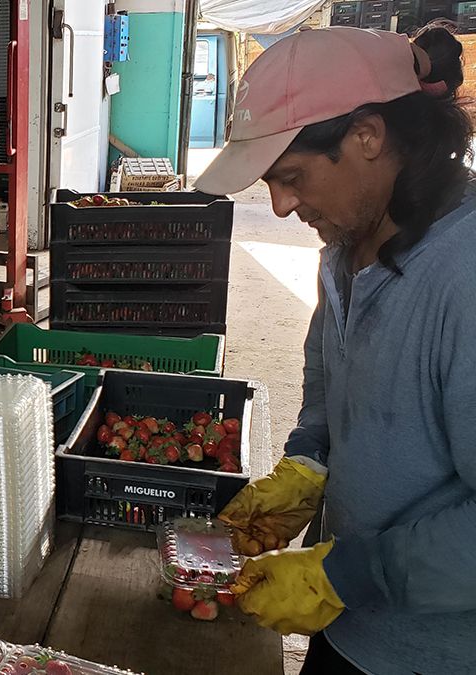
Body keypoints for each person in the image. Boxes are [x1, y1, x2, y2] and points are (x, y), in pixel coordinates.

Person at [196, 26, 476, 674]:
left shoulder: (461, 278)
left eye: (291, 176)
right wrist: (307, 462)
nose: (281, 204)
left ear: (368, 137)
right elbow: (327, 377)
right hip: (345, 631)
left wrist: (355, 573)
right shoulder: (344, 248)